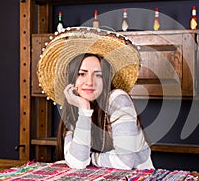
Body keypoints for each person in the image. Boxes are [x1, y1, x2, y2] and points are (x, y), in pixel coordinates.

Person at [37, 27, 154, 170]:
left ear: (105, 79)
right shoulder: (75, 108)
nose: (90, 82)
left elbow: (125, 162)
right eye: (82, 74)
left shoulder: (118, 99)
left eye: (98, 75)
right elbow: (77, 162)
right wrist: (84, 110)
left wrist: (90, 157)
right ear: (72, 80)